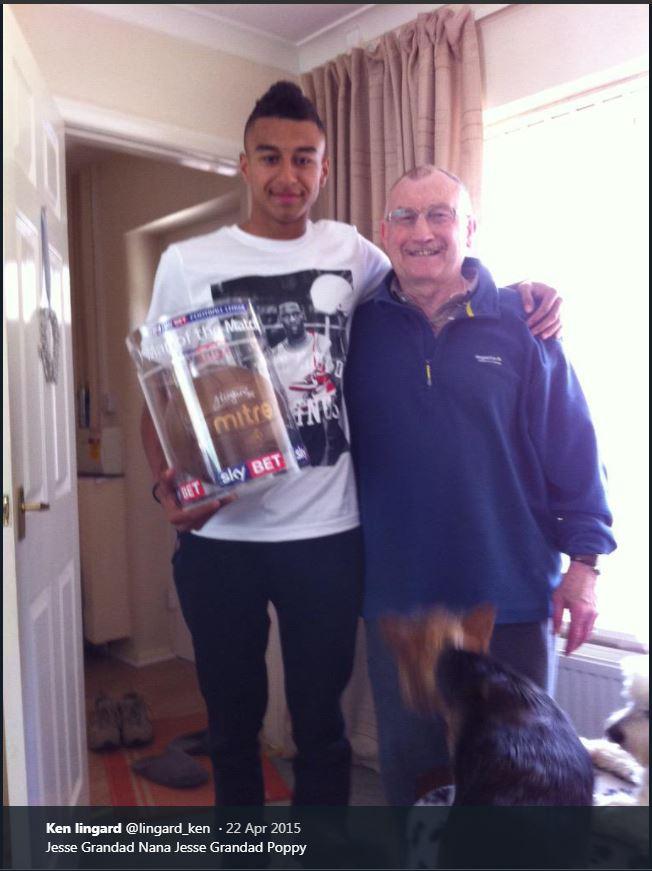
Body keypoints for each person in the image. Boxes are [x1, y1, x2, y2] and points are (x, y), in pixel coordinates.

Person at [141, 82, 562, 807]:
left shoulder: (353, 252)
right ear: (243, 164)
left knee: (323, 729)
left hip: (328, 535)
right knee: (233, 727)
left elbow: (434, 274)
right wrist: (166, 483)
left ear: (324, 170)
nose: (287, 175)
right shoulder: (187, 261)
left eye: (304, 159)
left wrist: (519, 291)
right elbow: (158, 387)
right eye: (270, 157)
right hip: (221, 536)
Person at [343, 165, 617, 806]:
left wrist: (585, 564)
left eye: (440, 214)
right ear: (384, 232)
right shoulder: (357, 329)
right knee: (413, 781)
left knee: (522, 786)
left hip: (510, 593)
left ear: (469, 227)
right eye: (405, 218)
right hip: (399, 601)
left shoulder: (525, 325)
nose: (422, 232)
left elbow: (574, 448)